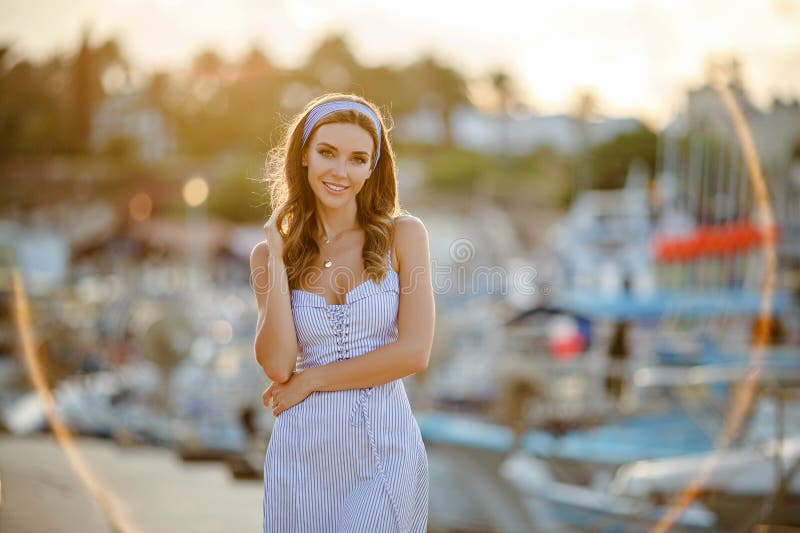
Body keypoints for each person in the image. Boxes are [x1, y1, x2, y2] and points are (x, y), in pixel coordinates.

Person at [250, 93, 434, 532]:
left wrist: (312, 379)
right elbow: (278, 365)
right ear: (304, 157)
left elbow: (414, 353)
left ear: (372, 168)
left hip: (384, 449)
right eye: (327, 153)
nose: (340, 171)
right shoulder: (267, 256)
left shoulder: (403, 236)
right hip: (301, 456)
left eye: (357, 159)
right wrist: (276, 260)